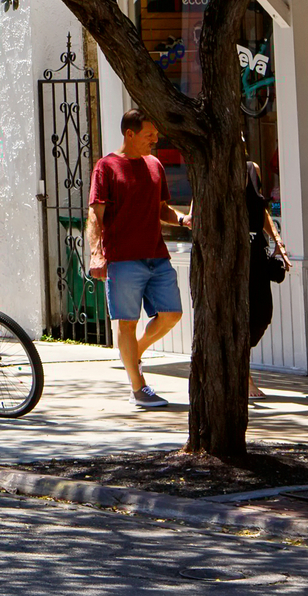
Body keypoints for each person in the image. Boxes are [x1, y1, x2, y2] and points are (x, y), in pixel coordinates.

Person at [88, 108, 192, 408]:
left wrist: (183, 221)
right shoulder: (106, 167)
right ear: (129, 134)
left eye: (156, 134)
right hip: (122, 259)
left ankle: (134, 353)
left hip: (157, 255)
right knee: (127, 324)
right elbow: (95, 214)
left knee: (172, 314)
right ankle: (139, 388)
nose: (155, 140)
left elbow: (162, 210)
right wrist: (97, 253)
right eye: (150, 135)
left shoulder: (155, 165)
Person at [247, 157, 292, 400]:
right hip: (230, 259)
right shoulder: (211, 167)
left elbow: (260, 209)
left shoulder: (251, 168)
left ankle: (239, 366)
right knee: (239, 318)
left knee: (262, 314)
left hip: (256, 253)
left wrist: (278, 242)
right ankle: (244, 376)